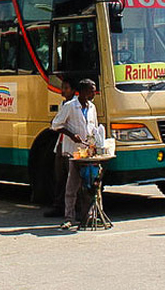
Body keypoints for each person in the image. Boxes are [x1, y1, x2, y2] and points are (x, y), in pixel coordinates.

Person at [52, 78, 98, 230]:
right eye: (92, 90)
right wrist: (71, 135)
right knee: (72, 186)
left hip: (88, 152)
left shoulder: (92, 107)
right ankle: (69, 217)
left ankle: (89, 216)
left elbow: (94, 128)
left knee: (90, 185)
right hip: (74, 152)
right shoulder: (70, 106)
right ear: (83, 92)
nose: (94, 93)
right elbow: (56, 125)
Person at [44, 77, 77, 218]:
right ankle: (59, 206)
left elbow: (58, 124)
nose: (63, 91)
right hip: (61, 144)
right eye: (63, 87)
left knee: (73, 180)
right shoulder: (64, 104)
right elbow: (56, 123)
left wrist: (58, 125)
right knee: (60, 177)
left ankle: (73, 209)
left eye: (66, 88)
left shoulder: (75, 105)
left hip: (71, 146)